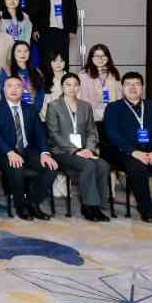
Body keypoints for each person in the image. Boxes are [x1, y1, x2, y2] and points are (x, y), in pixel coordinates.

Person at [104, 72, 152, 224]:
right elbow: (112, 134)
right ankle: (146, 210)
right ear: (122, 88)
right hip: (127, 152)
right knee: (138, 169)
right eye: (128, 84)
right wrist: (133, 152)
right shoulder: (113, 108)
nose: (133, 87)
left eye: (136, 84)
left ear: (142, 87)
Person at [0, 75, 58, 221]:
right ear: (4, 89)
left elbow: (39, 133)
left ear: (23, 89)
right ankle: (20, 206)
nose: (14, 89)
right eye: (10, 86)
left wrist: (45, 152)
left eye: (18, 86)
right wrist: (9, 152)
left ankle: (33, 203)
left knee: (50, 167)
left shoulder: (30, 109)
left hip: (27, 150)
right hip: (2, 152)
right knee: (17, 166)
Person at [45, 73, 110, 222]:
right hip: (62, 151)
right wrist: (75, 151)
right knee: (89, 165)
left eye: (75, 85)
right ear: (62, 87)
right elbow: (54, 134)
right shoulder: (54, 106)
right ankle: (88, 206)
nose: (72, 88)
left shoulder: (85, 106)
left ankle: (98, 206)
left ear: (79, 87)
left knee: (103, 165)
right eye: (68, 84)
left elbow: (92, 131)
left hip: (85, 151)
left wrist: (89, 149)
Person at [78, 43, 122, 121]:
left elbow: (119, 95)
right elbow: (83, 99)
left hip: (113, 113)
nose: (100, 59)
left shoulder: (113, 73)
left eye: (103, 56)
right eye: (97, 56)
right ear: (91, 58)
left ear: (108, 57)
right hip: (92, 115)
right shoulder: (83, 75)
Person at [0, 41, 45, 107]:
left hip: (33, 110)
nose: (22, 54)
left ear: (29, 53)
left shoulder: (37, 72)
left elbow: (40, 95)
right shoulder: (6, 71)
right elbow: (3, 94)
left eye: (26, 51)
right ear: (13, 53)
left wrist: (34, 110)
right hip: (12, 110)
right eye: (19, 51)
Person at [40, 51, 69, 119]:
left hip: (67, 116)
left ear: (65, 62)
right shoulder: (44, 79)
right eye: (55, 61)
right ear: (50, 62)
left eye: (61, 61)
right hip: (48, 116)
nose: (58, 64)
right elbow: (44, 101)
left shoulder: (70, 78)